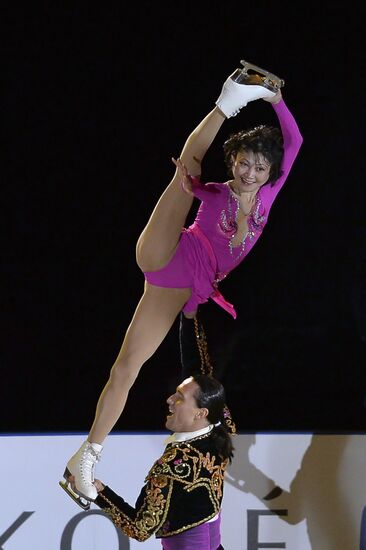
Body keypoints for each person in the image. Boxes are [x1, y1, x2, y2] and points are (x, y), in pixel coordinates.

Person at [61, 60, 303, 502]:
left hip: (179, 284)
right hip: (167, 249)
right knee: (185, 173)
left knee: (126, 367)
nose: (250, 173)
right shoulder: (214, 190)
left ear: (271, 174)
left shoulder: (269, 194)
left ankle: (86, 456)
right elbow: (198, 169)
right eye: (243, 163)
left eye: (259, 168)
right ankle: (224, 104)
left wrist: (277, 99)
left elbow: (295, 140)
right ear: (232, 161)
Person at [62, 375, 235, 549]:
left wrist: (98, 494)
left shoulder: (173, 467)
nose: (170, 400)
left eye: (180, 398)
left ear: (201, 413)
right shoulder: (219, 432)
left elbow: (140, 528)